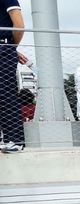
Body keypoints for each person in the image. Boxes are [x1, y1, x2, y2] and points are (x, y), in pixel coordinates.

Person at [0, 0, 25, 151]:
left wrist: (10, 47)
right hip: (4, 47)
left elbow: (19, 25)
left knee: (6, 94)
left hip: (3, 47)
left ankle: (15, 140)